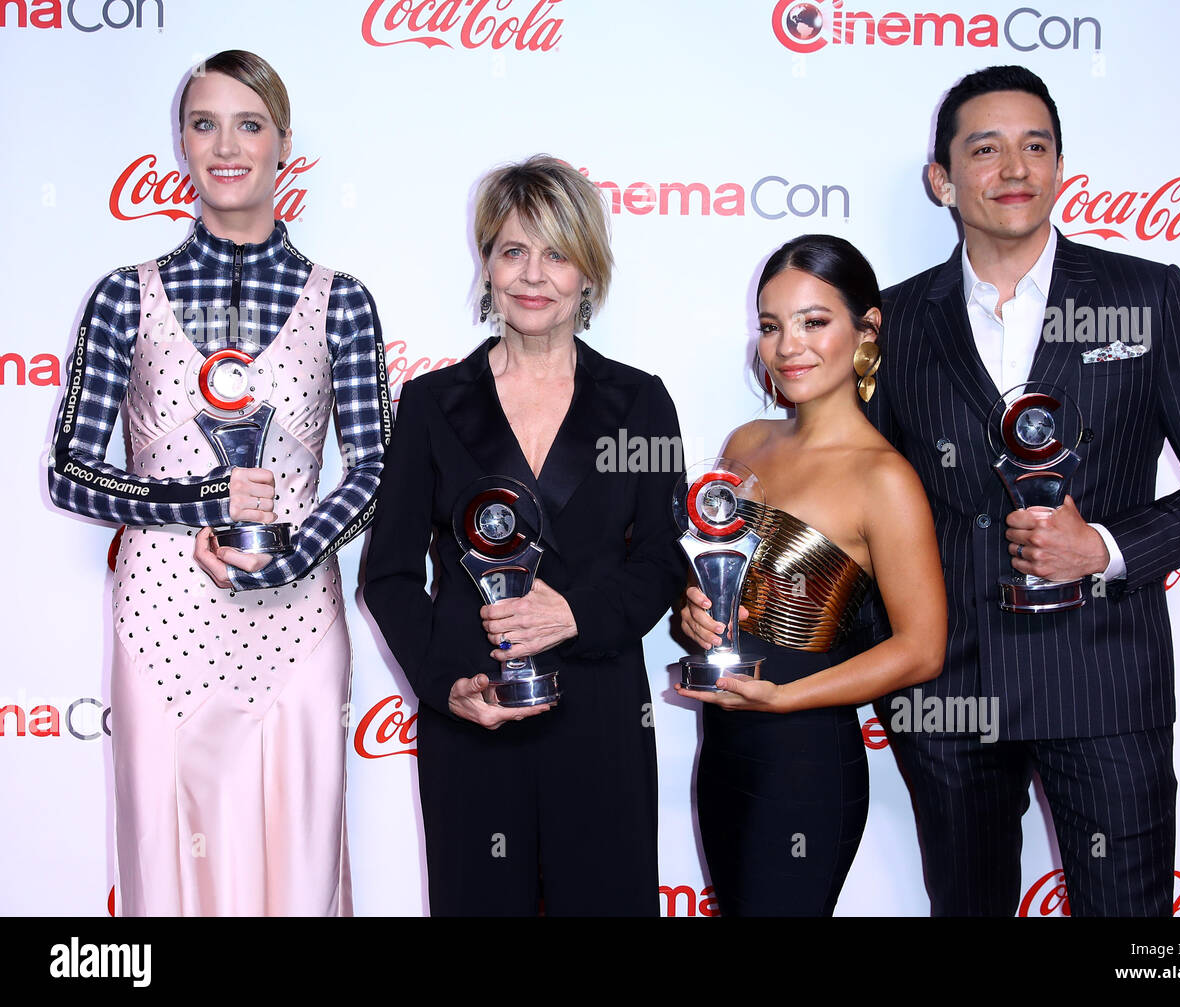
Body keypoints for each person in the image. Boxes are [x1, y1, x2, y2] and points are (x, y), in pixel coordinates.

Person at [866, 65, 1180, 916]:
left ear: (1059, 169)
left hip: (1105, 680)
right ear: (942, 179)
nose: (1014, 168)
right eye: (986, 148)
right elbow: (861, 499)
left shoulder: (1143, 296)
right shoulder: (891, 323)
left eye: (1034, 146)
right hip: (951, 689)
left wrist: (1108, 548)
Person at [47, 50, 390, 916]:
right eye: (204, 123)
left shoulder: (341, 300)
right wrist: (199, 501)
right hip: (163, 614)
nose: (226, 145)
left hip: (296, 615)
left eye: (249, 124)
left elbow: (376, 467)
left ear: (283, 145)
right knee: (167, 863)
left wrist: (296, 551)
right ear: (181, 143)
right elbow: (72, 474)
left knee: (300, 858)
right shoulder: (125, 297)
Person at [363, 155, 686, 916]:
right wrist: (447, 685)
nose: (532, 274)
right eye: (512, 250)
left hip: (601, 714)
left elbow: (665, 557)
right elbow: (390, 574)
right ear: (486, 265)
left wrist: (576, 615)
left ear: (588, 272)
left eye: (556, 252)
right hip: (476, 716)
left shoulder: (640, 401)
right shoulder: (432, 403)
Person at [677, 234, 947, 916]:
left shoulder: (884, 477)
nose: (788, 344)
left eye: (813, 321)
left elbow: (922, 647)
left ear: (866, 329)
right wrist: (695, 615)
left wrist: (785, 699)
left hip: (805, 761)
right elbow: (726, 580)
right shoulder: (745, 442)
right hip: (726, 751)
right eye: (771, 326)